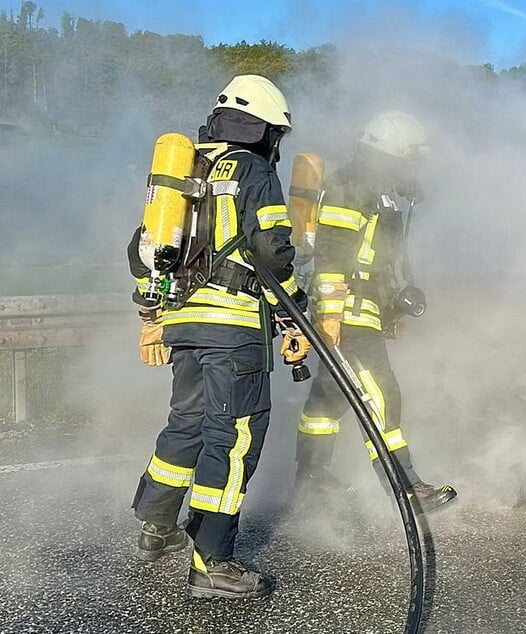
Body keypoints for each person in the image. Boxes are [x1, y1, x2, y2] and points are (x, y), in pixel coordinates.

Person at [128, 74, 310, 599]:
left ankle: (155, 528)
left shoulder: (183, 172)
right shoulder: (253, 170)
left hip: (184, 323)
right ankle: (213, 562)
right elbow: (273, 251)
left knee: (185, 423)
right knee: (232, 440)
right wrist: (294, 310)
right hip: (233, 330)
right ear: (265, 131)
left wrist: (153, 313)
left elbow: (140, 251)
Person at [293, 111, 456, 513]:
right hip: (347, 313)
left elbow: (380, 260)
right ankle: (405, 487)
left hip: (363, 311)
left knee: (329, 399)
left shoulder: (378, 190)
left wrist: (393, 308)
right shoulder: (351, 185)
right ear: (392, 153)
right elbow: (331, 253)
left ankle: (311, 480)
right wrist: (329, 315)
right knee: (383, 392)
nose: (414, 166)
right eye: (410, 158)